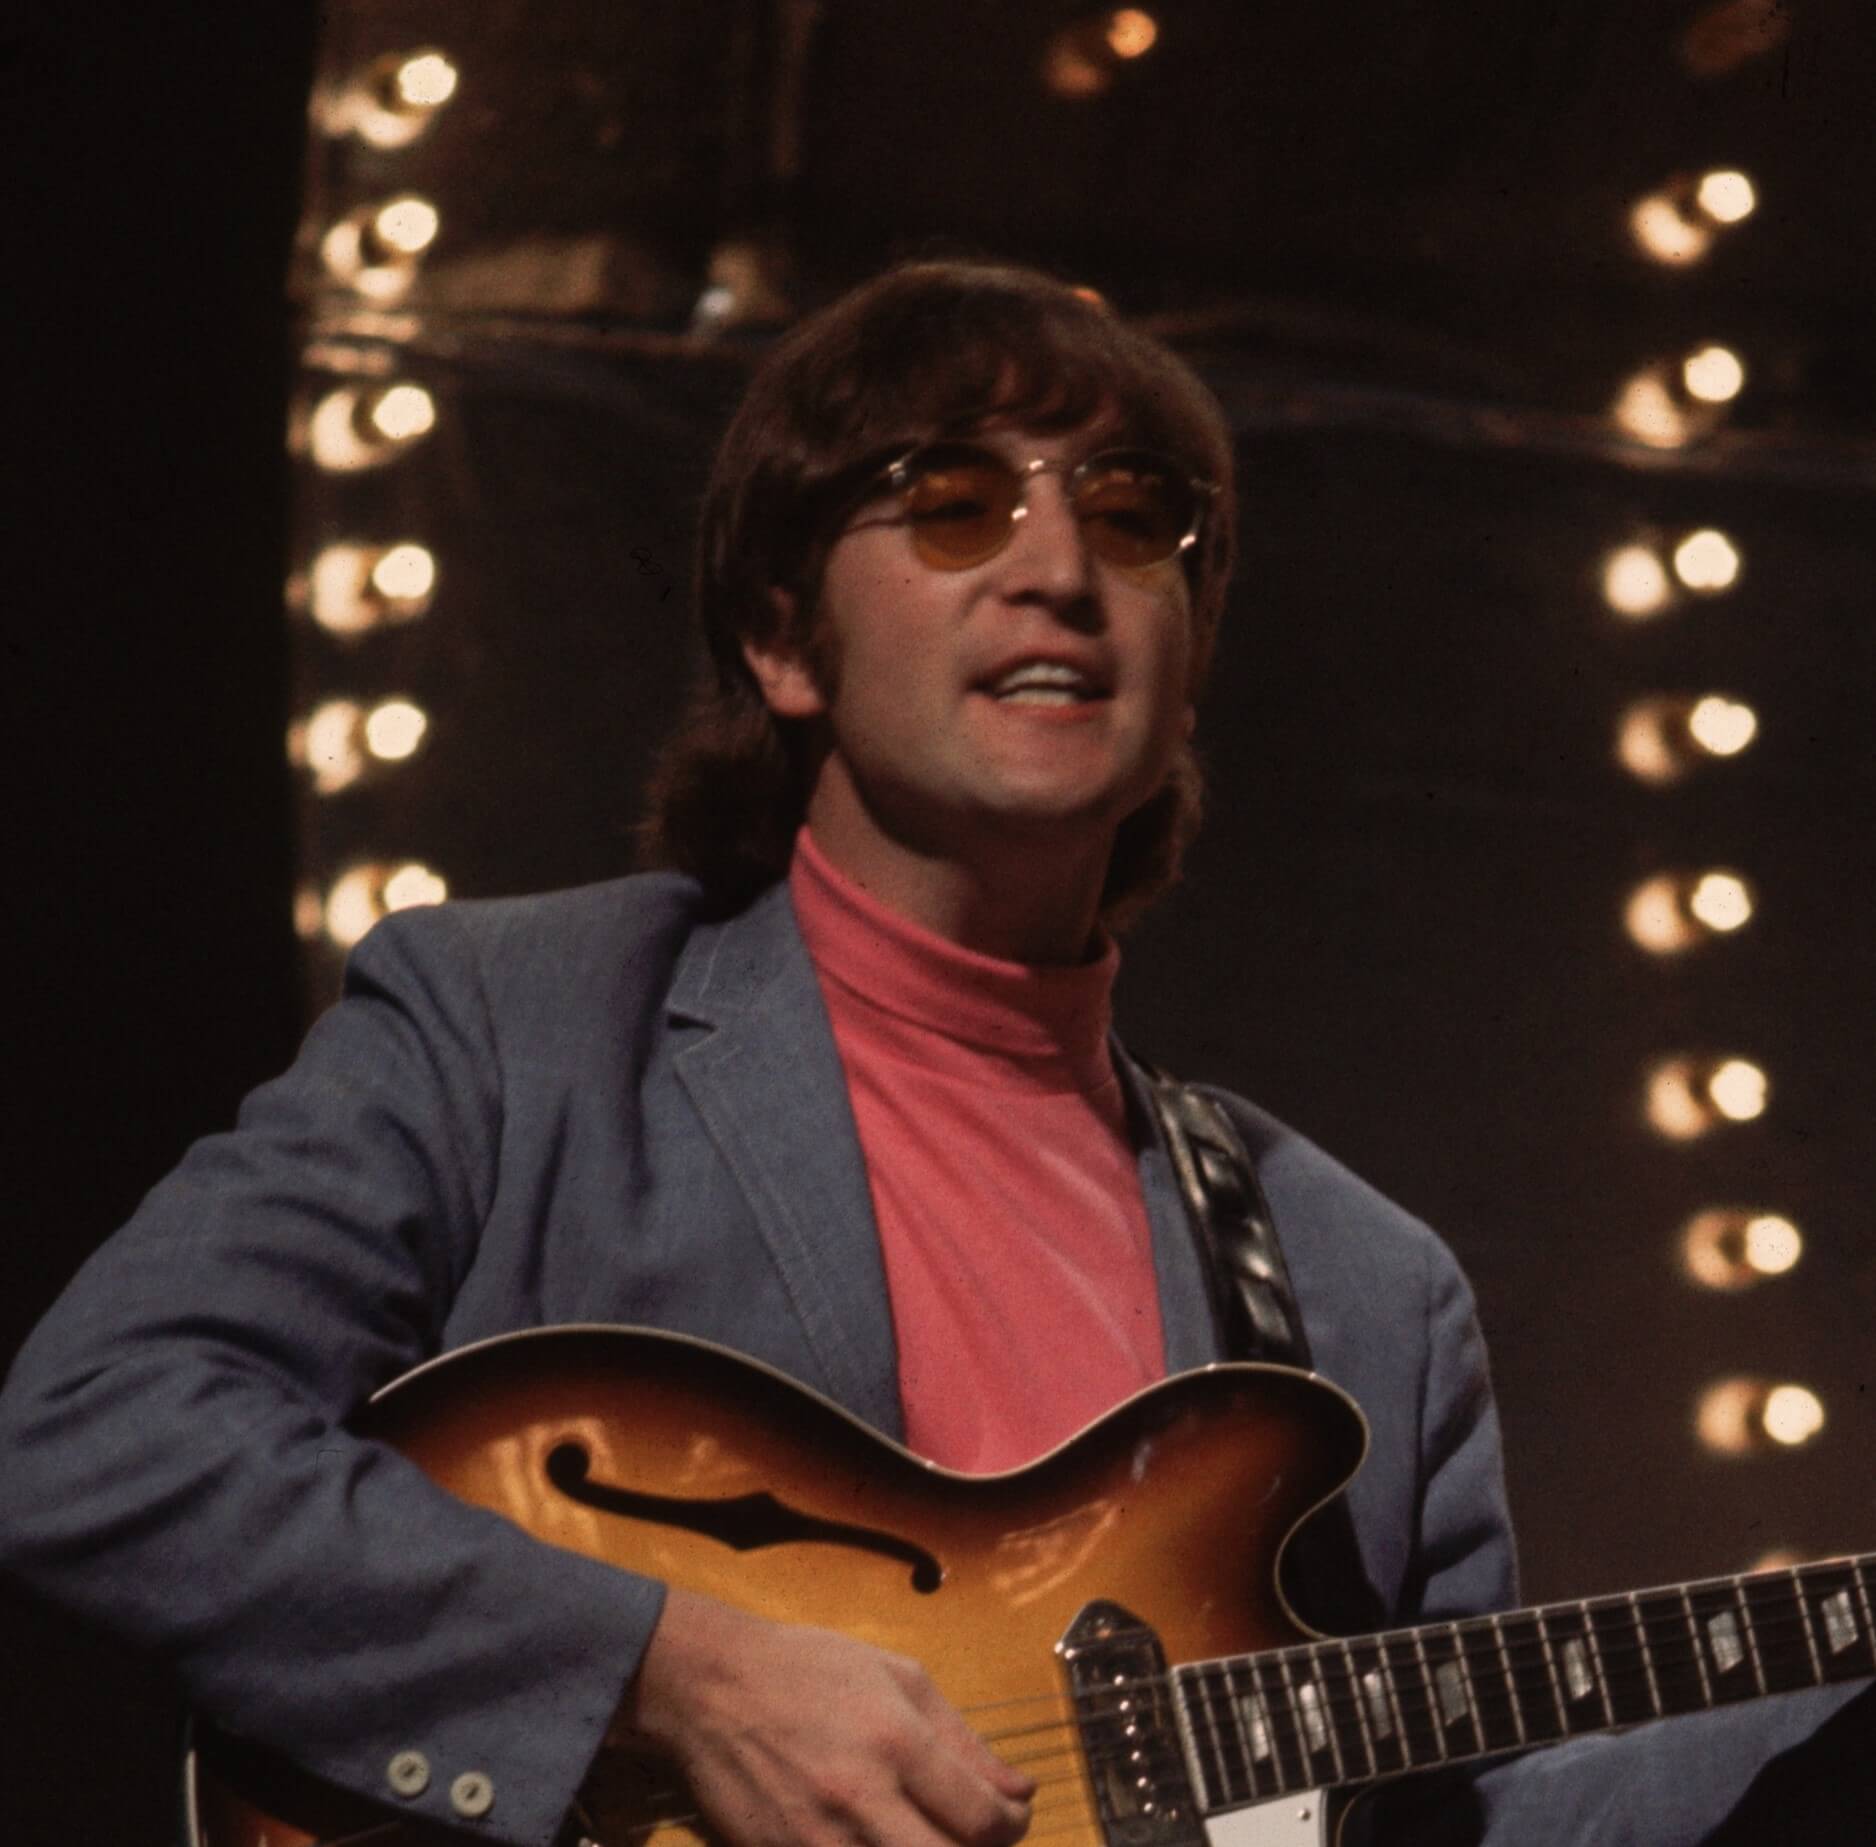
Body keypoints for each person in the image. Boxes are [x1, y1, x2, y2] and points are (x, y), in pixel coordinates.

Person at [0, 258, 1864, 1847]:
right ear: (782, 638)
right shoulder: (520, 1026)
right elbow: (100, 1431)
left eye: (1136, 514)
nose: (1060, 563)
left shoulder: (1368, 1287)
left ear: (1189, 654)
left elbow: (1462, 1815)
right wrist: (668, 1674)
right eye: (954, 496)